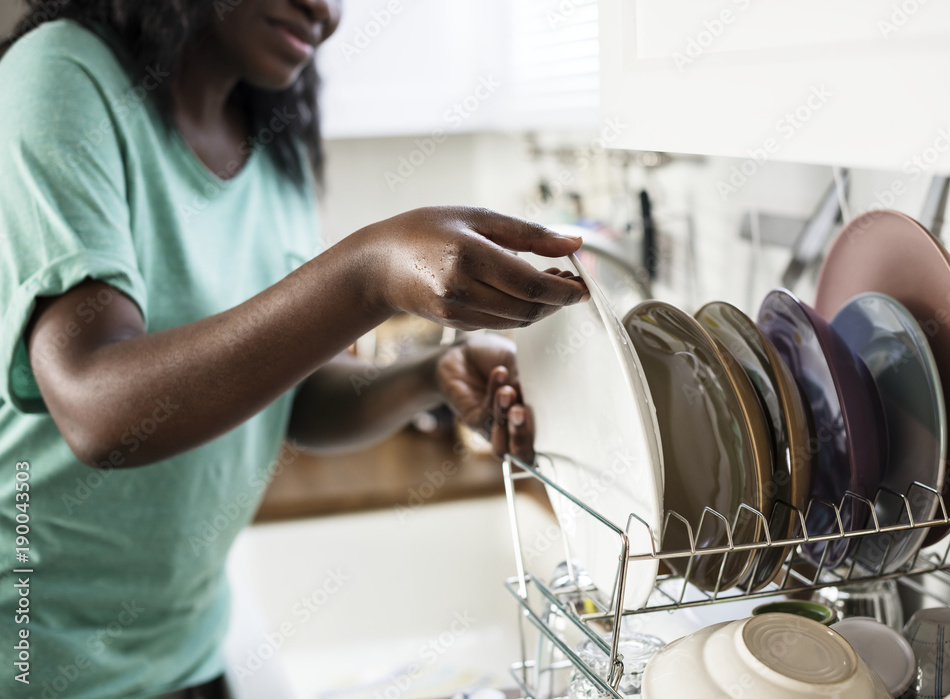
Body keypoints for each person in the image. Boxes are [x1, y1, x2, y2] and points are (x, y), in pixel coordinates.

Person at [0, 1, 588, 696]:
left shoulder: (272, 134)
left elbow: (294, 393)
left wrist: (432, 374)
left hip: (185, 647)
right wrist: (368, 272)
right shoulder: (61, 75)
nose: (326, 11)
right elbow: (98, 407)